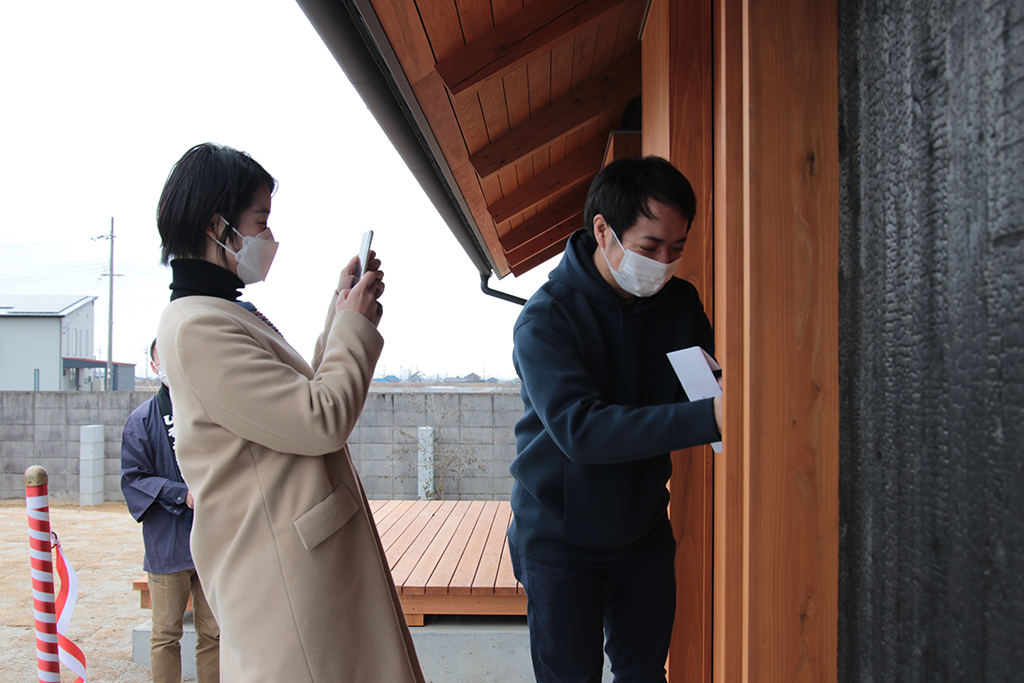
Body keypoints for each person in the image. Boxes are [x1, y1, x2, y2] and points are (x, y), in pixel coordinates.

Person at [154, 142, 423, 683]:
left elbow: (300, 398)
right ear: (218, 226)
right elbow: (319, 418)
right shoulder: (198, 327)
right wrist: (352, 325)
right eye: (261, 221)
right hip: (285, 579)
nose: (269, 239)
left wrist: (341, 311)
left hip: (294, 566)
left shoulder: (218, 313)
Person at [507, 156, 724, 683]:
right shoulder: (545, 320)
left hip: (644, 531)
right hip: (558, 541)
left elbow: (706, 389)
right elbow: (582, 430)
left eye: (677, 249)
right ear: (603, 230)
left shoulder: (680, 305)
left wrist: (725, 402)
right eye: (650, 247)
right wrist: (711, 417)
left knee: (645, 674)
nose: (664, 263)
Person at [121, 339, 220, 683]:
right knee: (165, 635)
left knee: (215, 633)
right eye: (162, 361)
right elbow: (134, 480)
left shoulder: (208, 410)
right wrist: (181, 494)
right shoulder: (141, 421)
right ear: (153, 367)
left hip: (212, 542)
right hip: (167, 544)